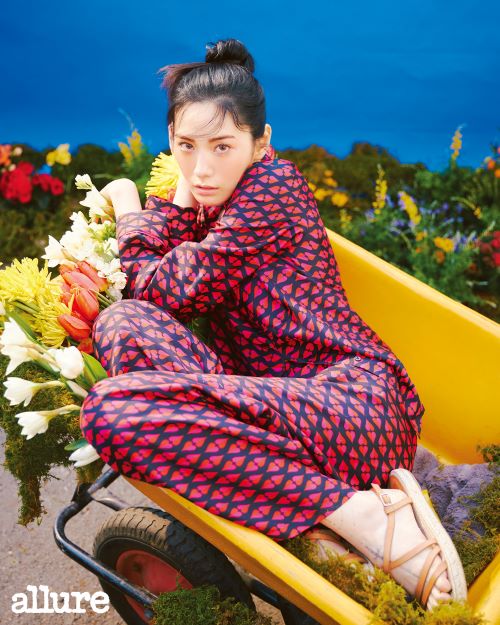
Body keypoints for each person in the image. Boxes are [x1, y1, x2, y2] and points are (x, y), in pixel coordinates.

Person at [80, 38, 467, 610]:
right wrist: (184, 194)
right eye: (185, 146)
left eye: (222, 146)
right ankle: (322, 524)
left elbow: (162, 286)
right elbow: (152, 300)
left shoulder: (271, 190)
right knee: (121, 325)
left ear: (262, 142)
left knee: (109, 410)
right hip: (275, 411)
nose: (202, 168)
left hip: (354, 408)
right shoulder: (220, 195)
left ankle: (359, 514)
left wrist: (132, 209)